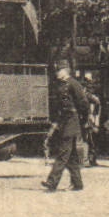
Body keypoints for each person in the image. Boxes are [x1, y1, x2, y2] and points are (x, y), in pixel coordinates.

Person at [43, 64, 98, 192]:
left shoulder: (73, 84)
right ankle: (77, 184)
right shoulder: (61, 85)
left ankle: (52, 182)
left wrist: (84, 119)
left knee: (62, 154)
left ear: (65, 71)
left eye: (58, 70)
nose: (56, 72)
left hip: (72, 122)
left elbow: (83, 102)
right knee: (71, 157)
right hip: (65, 122)